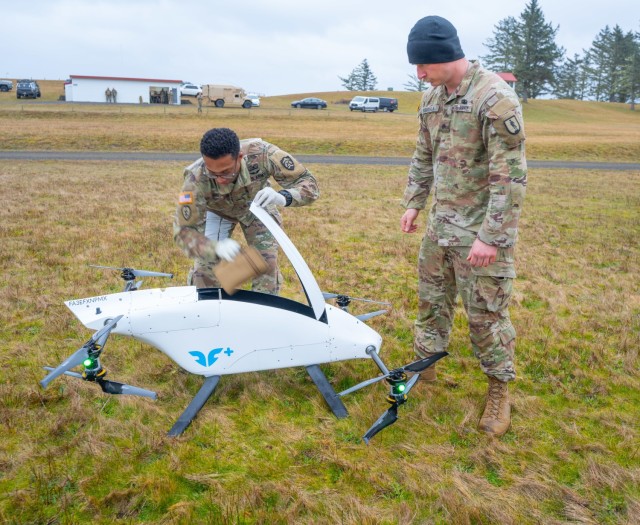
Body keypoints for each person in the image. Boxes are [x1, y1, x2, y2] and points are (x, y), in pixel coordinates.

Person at [400, 15, 527, 437]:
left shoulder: (495, 99)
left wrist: (492, 237)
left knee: (485, 316)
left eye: (423, 66)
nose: (419, 74)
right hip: (441, 227)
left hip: (482, 234)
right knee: (431, 303)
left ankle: (498, 390)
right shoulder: (432, 99)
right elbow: (423, 155)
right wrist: (415, 204)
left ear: (445, 56)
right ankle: (425, 367)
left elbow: (510, 177)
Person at [173, 127, 319, 294]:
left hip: (256, 207)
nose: (220, 180)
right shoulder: (195, 177)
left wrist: (284, 196)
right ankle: (210, 312)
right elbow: (183, 231)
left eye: (226, 172)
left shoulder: (263, 154)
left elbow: (308, 183)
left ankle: (263, 311)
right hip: (217, 211)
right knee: (204, 271)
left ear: (240, 157)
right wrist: (213, 248)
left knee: (266, 263)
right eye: (213, 173)